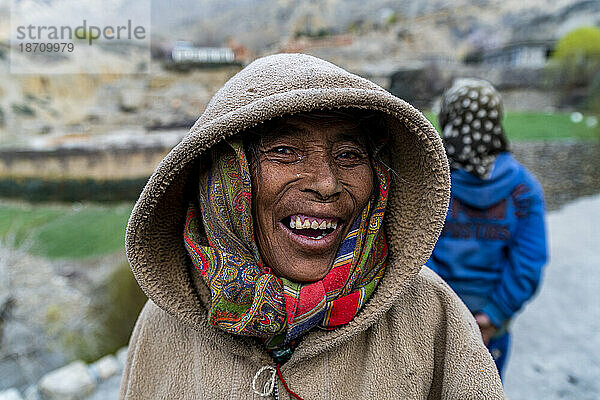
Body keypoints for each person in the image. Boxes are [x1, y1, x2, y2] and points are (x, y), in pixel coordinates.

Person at [120, 54, 504, 399]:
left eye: (349, 155)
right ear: (227, 177)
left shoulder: (430, 315)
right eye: (285, 151)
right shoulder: (166, 323)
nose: (326, 183)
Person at [427, 78, 548, 379]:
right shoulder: (524, 188)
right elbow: (529, 263)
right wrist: (493, 317)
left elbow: (417, 251)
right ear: (495, 122)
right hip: (490, 325)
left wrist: (444, 317)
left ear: (448, 120)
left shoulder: (431, 183)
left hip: (433, 318)